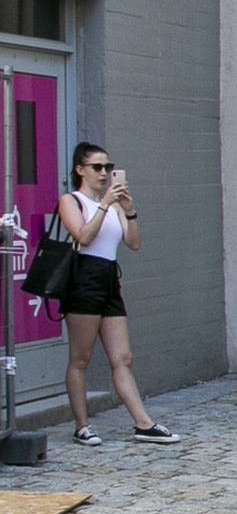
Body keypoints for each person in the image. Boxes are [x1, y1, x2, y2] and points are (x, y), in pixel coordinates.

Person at [54, 143, 178, 446]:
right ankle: (82, 425)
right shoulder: (72, 200)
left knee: (122, 357)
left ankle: (143, 423)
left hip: (109, 278)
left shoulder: (114, 205)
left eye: (108, 167)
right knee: (81, 357)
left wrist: (128, 209)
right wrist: (104, 204)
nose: (104, 173)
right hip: (83, 279)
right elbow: (83, 236)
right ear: (80, 169)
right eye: (97, 167)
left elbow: (133, 243)